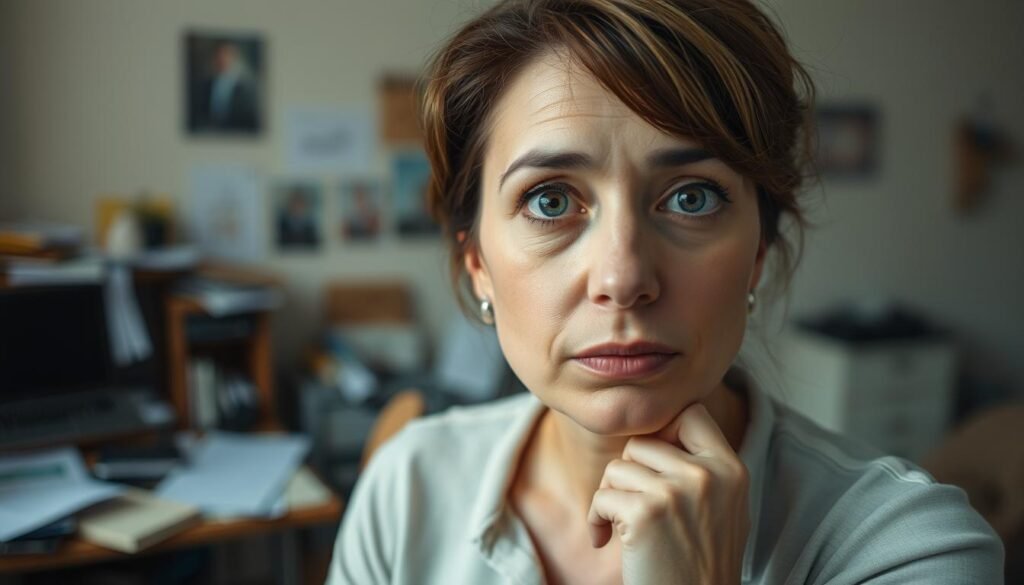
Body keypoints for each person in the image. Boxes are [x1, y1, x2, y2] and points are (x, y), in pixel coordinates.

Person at [327, 0, 1005, 583]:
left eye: (691, 197)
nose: (623, 278)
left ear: (757, 254)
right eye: (550, 200)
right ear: (477, 263)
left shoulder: (912, 550)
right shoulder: (405, 491)